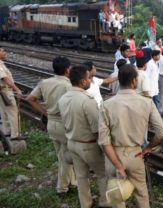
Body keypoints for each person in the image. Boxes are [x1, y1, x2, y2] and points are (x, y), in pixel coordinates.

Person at [98, 64, 163, 208]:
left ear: (119, 81)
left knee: (117, 195)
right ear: (135, 81)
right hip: (136, 154)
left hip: (113, 156)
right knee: (141, 193)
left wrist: (118, 166)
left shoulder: (106, 105)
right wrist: (148, 148)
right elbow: (162, 133)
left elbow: (104, 141)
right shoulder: (147, 103)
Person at [58, 65, 107, 208]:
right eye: (88, 78)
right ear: (82, 82)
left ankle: (85, 204)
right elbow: (97, 128)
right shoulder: (87, 100)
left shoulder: (63, 99)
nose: (89, 81)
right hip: (88, 145)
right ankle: (105, 202)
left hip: (72, 143)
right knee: (102, 174)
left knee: (81, 177)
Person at [27, 56, 76, 195]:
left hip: (51, 123)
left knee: (61, 155)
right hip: (64, 124)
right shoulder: (69, 85)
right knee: (66, 157)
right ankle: (62, 188)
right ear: (67, 70)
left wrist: (45, 112)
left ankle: (71, 182)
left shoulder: (45, 82)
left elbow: (30, 99)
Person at [0, 47, 24, 140]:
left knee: (4, 111)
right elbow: (5, 78)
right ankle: (15, 134)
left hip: (2, 91)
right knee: (13, 112)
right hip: (5, 91)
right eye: (2, 51)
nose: (5, 53)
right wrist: (17, 89)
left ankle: (7, 131)